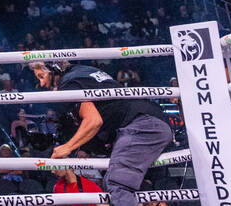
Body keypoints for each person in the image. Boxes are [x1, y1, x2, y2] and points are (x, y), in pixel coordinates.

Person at [31, 61, 171, 206]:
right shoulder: (84, 71)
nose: (41, 83)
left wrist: (68, 147)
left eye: (42, 76)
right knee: (128, 184)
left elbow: (94, 121)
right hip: (145, 122)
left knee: (116, 184)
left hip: (140, 125)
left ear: (55, 69)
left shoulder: (68, 85)